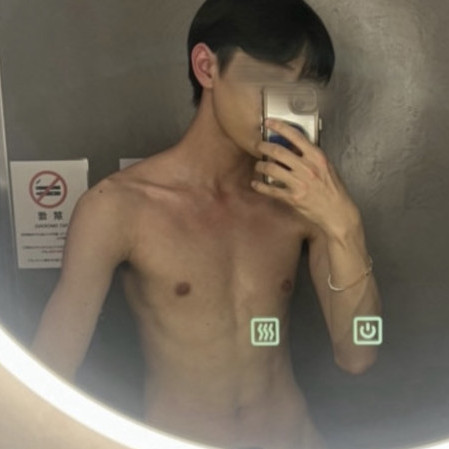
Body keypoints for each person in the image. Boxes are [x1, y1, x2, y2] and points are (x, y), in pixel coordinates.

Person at [31, 0, 382, 448]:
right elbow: (50, 375)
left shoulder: (305, 200)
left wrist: (344, 223)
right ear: (206, 67)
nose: (282, 109)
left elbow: (359, 352)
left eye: (300, 90)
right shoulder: (117, 207)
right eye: (271, 81)